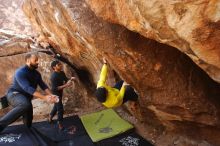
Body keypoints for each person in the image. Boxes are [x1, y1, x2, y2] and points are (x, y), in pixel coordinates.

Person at [0, 53, 58, 133]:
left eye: (38, 60)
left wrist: (51, 95)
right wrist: (45, 98)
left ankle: (28, 132)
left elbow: (43, 85)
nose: (38, 62)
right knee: (25, 104)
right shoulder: (20, 72)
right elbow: (27, 88)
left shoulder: (37, 74)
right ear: (28, 61)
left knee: (28, 119)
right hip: (14, 94)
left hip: (25, 99)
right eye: (35, 60)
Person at [49, 60, 76, 130]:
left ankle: (50, 117)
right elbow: (56, 88)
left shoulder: (61, 73)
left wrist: (71, 79)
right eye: (59, 65)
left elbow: (66, 79)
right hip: (55, 93)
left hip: (60, 92)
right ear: (54, 67)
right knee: (60, 108)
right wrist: (66, 85)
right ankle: (60, 124)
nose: (61, 65)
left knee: (56, 106)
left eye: (60, 64)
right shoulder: (53, 77)